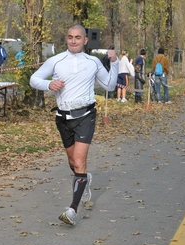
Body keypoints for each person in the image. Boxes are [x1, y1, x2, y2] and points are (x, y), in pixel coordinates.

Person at [29, 24, 118, 226]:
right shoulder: (56, 61)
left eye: (78, 37)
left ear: (85, 40)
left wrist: (114, 63)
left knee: (78, 161)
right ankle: (84, 180)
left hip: (86, 115)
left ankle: (72, 210)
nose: (74, 40)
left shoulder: (93, 62)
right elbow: (34, 79)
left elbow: (110, 86)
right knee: (73, 162)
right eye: (70, 37)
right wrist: (48, 84)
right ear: (66, 38)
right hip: (62, 117)